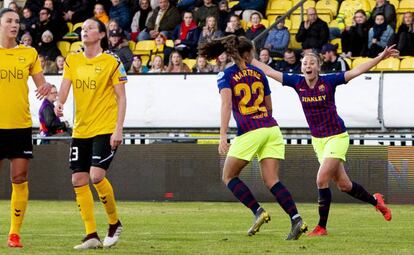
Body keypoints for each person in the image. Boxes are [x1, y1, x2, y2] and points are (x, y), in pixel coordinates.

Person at [252, 43, 397, 237]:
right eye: (305, 63)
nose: (308, 65)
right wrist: (247, 58)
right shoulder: (297, 82)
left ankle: (321, 227)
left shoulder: (329, 81)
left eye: (312, 62)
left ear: (318, 67)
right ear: (301, 67)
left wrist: (380, 57)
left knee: (321, 179)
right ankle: (376, 202)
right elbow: (269, 71)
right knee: (344, 185)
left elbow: (356, 71)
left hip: (337, 137)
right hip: (318, 141)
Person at [198, 35, 308, 240]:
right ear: (247, 54)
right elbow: (270, 107)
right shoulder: (259, 72)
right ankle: (296, 219)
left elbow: (227, 105)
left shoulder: (226, 74)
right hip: (271, 129)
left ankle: (258, 211)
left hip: (250, 130)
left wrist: (222, 135)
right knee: (272, 180)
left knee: (229, 176)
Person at [55, 17, 127, 250]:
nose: (85, 31)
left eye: (90, 28)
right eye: (83, 29)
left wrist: (118, 128)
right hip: (81, 129)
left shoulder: (111, 61)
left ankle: (114, 223)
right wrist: (59, 103)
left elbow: (121, 97)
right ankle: (91, 235)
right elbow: (65, 89)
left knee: (96, 176)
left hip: (104, 128)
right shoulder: (72, 59)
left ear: (102, 34)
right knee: (78, 179)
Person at [0, 8, 51, 248]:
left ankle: (14, 234)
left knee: (19, 177)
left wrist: (49, 88)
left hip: (19, 125)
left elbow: (42, 85)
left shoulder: (29, 53)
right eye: (9, 21)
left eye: (17, 21)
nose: (14, 25)